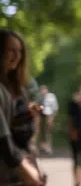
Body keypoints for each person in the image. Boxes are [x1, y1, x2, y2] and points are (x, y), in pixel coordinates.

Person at [0, 29, 45, 186]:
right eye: (11, 50)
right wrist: (26, 169)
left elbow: (19, 136)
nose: (17, 56)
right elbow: (3, 137)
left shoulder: (19, 89)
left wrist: (27, 116)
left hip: (17, 172)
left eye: (19, 51)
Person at [34, 85, 58, 155]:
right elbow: (36, 106)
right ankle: (40, 147)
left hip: (48, 115)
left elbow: (54, 107)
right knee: (38, 131)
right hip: (39, 115)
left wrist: (52, 117)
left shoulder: (51, 96)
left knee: (48, 132)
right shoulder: (38, 96)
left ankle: (48, 147)